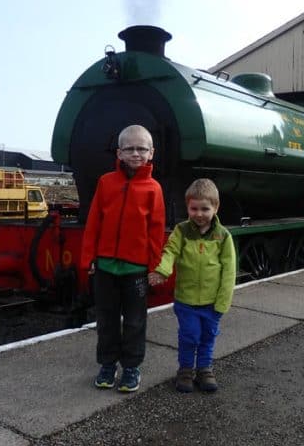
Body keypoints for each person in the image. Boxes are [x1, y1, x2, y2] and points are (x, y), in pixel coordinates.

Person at [80, 124, 166, 393]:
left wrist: (154, 267)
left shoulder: (154, 189)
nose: (135, 153)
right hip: (105, 266)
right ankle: (107, 365)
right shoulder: (106, 182)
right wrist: (88, 258)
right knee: (106, 320)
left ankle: (131, 367)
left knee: (134, 321)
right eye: (129, 148)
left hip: (136, 270)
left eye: (142, 148)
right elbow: (94, 222)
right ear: (119, 152)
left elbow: (155, 232)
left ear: (151, 153)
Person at [148, 178, 236, 393]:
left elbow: (229, 271)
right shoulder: (181, 231)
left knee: (207, 337)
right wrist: (162, 270)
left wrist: (223, 302)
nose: (198, 214)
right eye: (193, 208)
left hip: (212, 302)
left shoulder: (223, 236)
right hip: (186, 300)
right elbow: (171, 251)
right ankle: (186, 370)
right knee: (190, 335)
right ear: (187, 207)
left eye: (205, 209)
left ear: (215, 207)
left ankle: (205, 369)